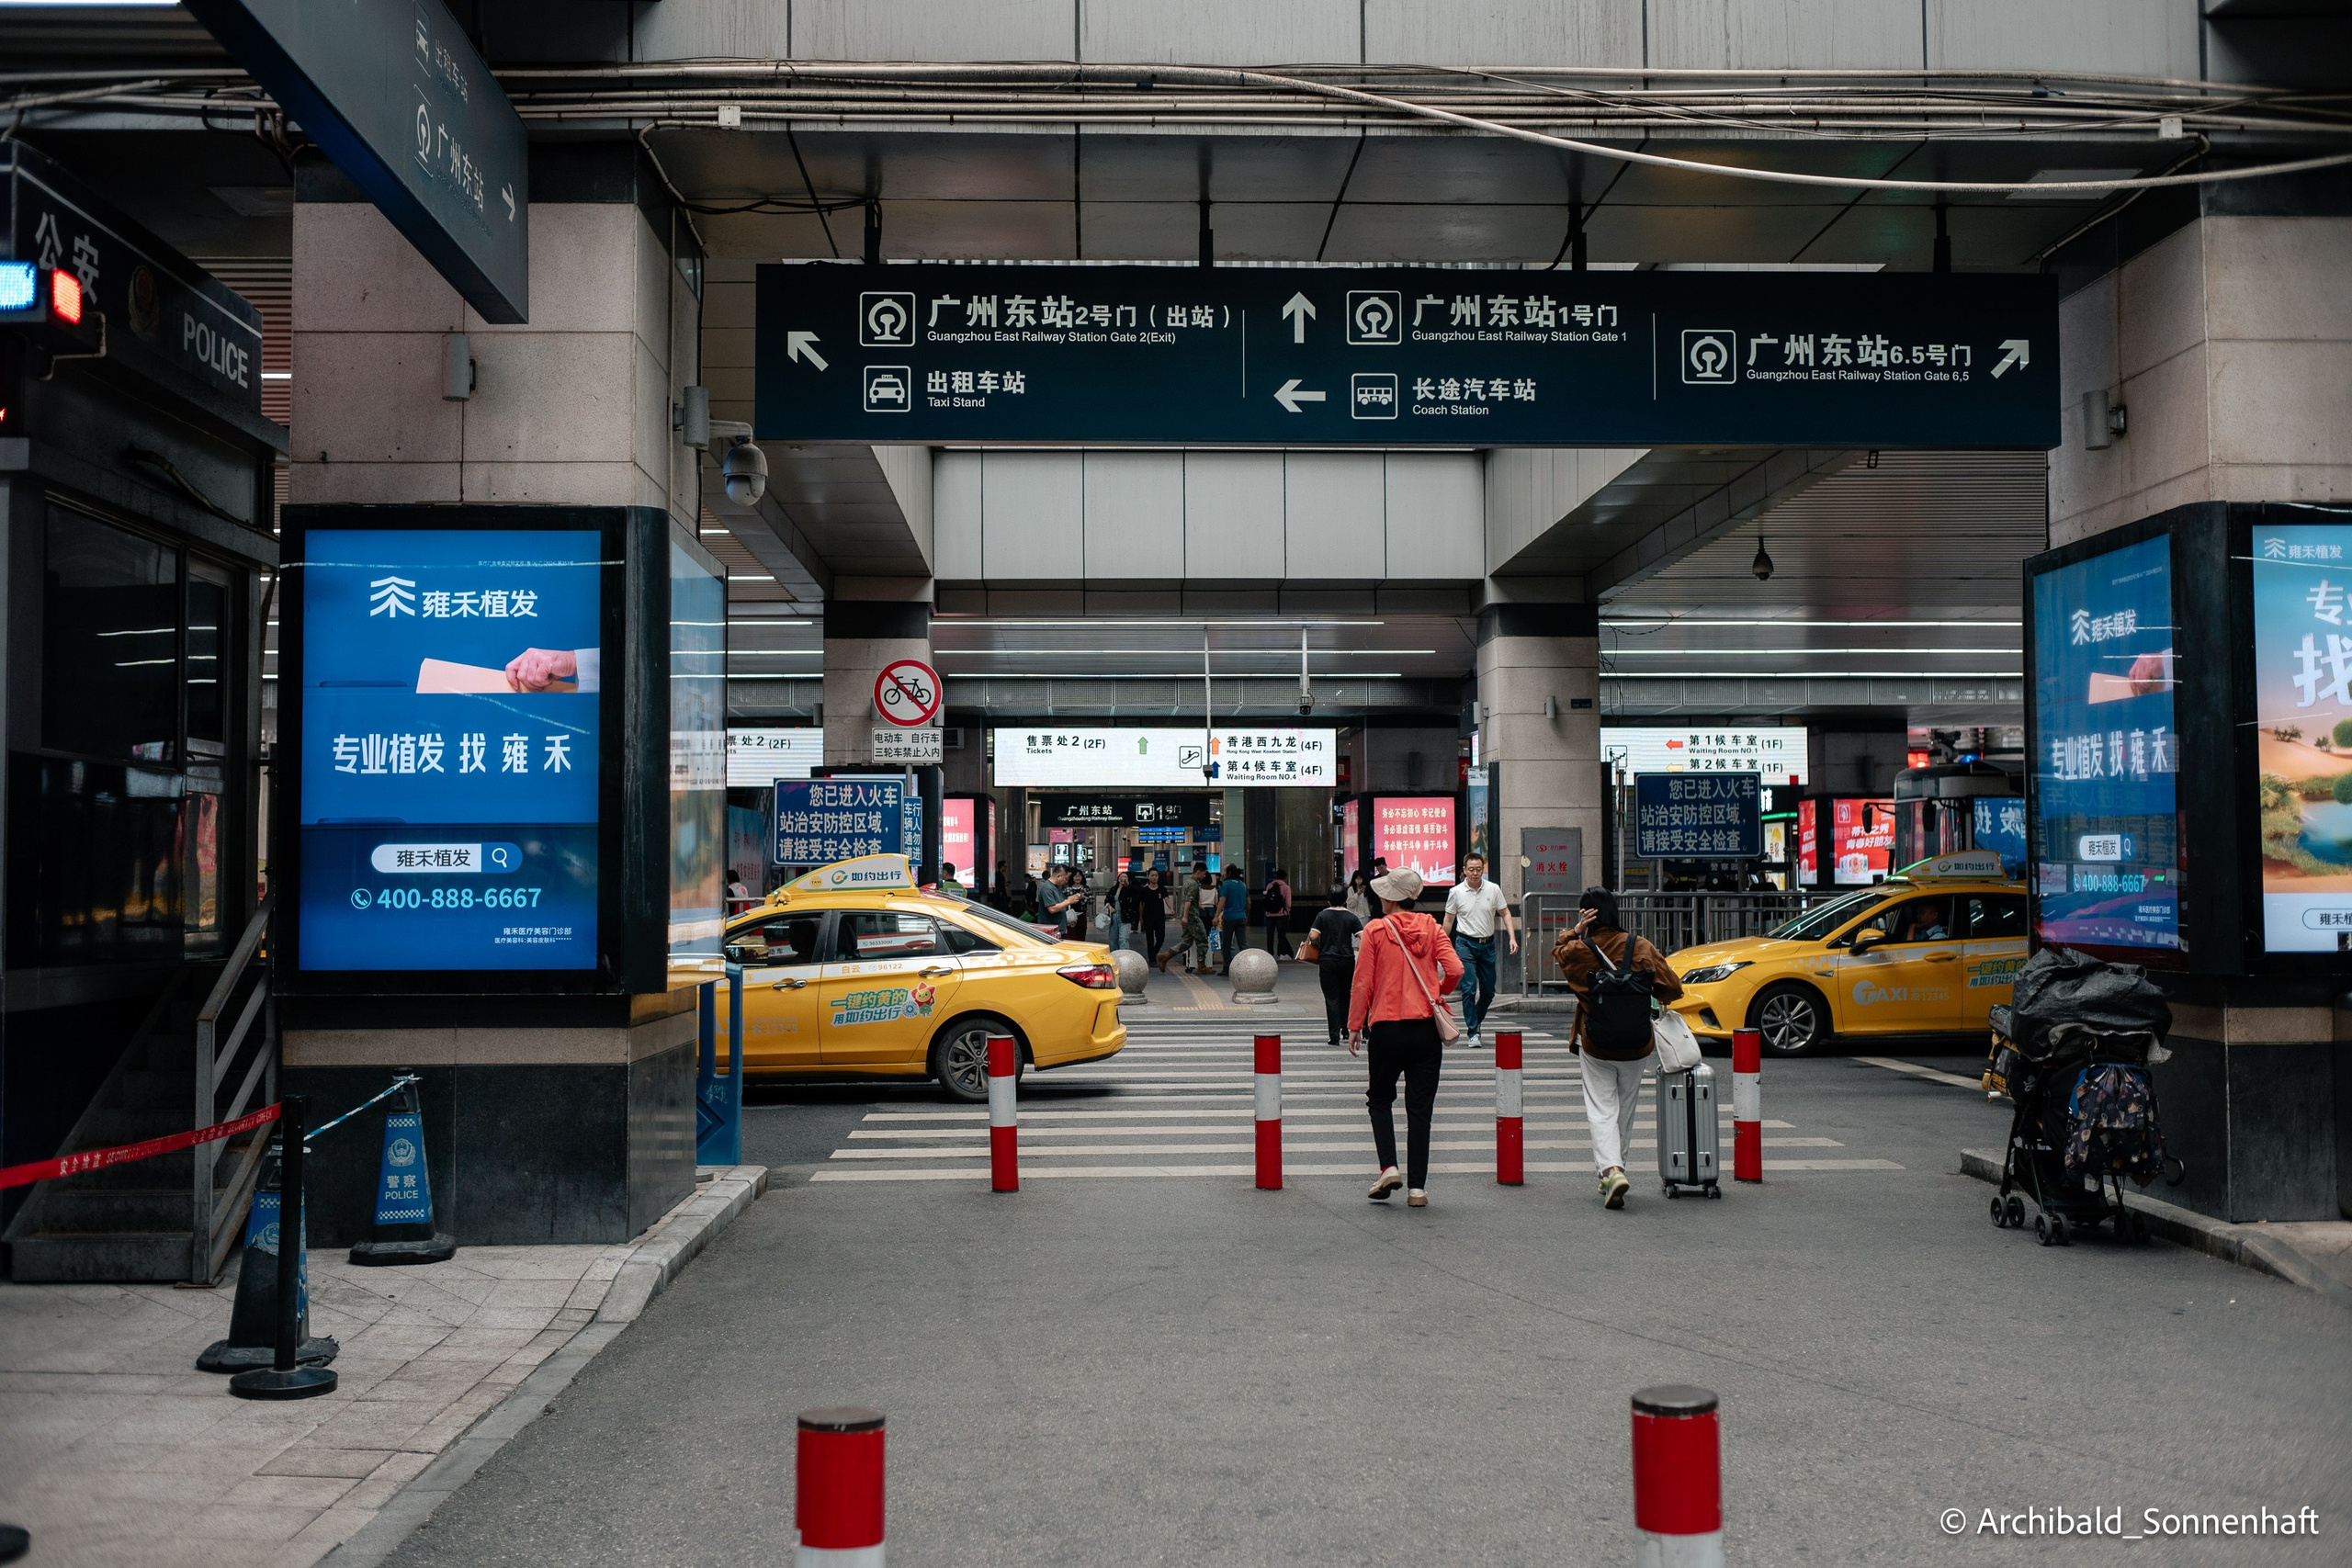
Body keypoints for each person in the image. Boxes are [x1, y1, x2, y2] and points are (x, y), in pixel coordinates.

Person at [1552, 887, 1684, 1210]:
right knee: (1625, 1110)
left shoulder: (1580, 949)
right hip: (1636, 1043)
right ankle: (1615, 1170)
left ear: (1587, 914)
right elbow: (1672, 989)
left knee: (1601, 1109)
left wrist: (1575, 930)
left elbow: (1558, 952)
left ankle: (1611, 1170)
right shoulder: (1641, 946)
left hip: (1596, 1042)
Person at [1347, 867, 1461, 1209]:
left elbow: (1363, 981)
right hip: (1426, 1029)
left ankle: (1388, 1167)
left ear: (1391, 898)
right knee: (1420, 1110)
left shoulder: (1376, 930)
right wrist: (1436, 993)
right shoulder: (1432, 927)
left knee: (1380, 1100)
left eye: (1383, 893)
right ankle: (1417, 1190)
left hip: (1387, 1029)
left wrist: (1354, 1025)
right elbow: (1456, 969)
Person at [1442, 852, 1518, 1049]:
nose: (1475, 873)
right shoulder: (1456, 892)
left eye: (1478, 869)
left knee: (1488, 991)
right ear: (1464, 870)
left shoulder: (1493, 889)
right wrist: (1440, 946)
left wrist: (1512, 937)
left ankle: (1475, 1018)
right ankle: (1473, 1032)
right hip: (1465, 943)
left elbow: (1505, 913)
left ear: (1483, 869)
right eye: (1471, 869)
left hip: (1488, 945)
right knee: (1468, 988)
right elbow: (1449, 921)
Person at [1299, 886, 1363, 1047]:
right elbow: (1363, 936)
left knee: (1331, 998)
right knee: (1345, 996)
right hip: (1347, 960)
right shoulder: (1351, 917)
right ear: (1344, 900)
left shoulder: (1322, 915)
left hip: (1327, 961)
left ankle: (1334, 1036)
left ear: (1328, 899)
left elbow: (1313, 936)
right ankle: (1346, 1030)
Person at [1043, 864, 1088, 944]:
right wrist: (1069, 901)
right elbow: (1052, 909)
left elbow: (1061, 902)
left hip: (1060, 929)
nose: (1066, 881)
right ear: (1059, 876)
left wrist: (1070, 899)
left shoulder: (1058, 887)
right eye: (1066, 879)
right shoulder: (1047, 888)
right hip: (1051, 931)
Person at [1217, 864, 1250, 974]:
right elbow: (1249, 902)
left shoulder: (1226, 885)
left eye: (1225, 871)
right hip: (1241, 917)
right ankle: (1249, 967)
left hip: (1229, 917)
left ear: (1229, 873)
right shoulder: (1243, 885)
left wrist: (1216, 916)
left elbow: (1222, 901)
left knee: (1226, 943)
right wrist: (1246, 915)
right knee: (1243, 943)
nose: (1223, 874)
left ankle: (1227, 968)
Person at [1136, 868, 1168, 969]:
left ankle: (1153, 954)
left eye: (1156, 875)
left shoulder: (1162, 889)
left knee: (1161, 938)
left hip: (1160, 917)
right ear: (1148, 877)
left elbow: (1167, 899)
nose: (1154, 877)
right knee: (1149, 939)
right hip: (1148, 917)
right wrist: (1141, 919)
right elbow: (1141, 904)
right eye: (1152, 875)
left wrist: (1172, 909)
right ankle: (1152, 960)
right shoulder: (1144, 890)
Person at [1261, 867, 1293, 959]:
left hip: (1270, 915)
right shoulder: (1286, 887)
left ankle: (1270, 953)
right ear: (1285, 877)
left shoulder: (1269, 886)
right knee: (1281, 935)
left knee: (1270, 935)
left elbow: (1266, 899)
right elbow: (1288, 903)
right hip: (1281, 915)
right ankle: (1282, 954)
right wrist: (1287, 912)